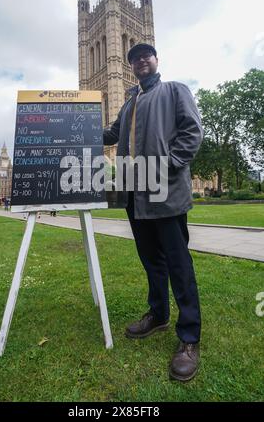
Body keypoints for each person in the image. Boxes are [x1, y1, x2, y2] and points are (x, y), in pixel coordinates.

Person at [103, 43, 204, 382]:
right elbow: (111, 135)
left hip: (166, 193)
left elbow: (192, 131)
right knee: (151, 260)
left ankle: (189, 338)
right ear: (130, 66)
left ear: (156, 61)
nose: (140, 60)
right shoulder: (128, 104)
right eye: (134, 58)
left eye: (146, 55)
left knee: (178, 263)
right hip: (135, 195)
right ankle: (159, 315)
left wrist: (171, 164)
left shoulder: (175, 91)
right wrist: (74, 129)